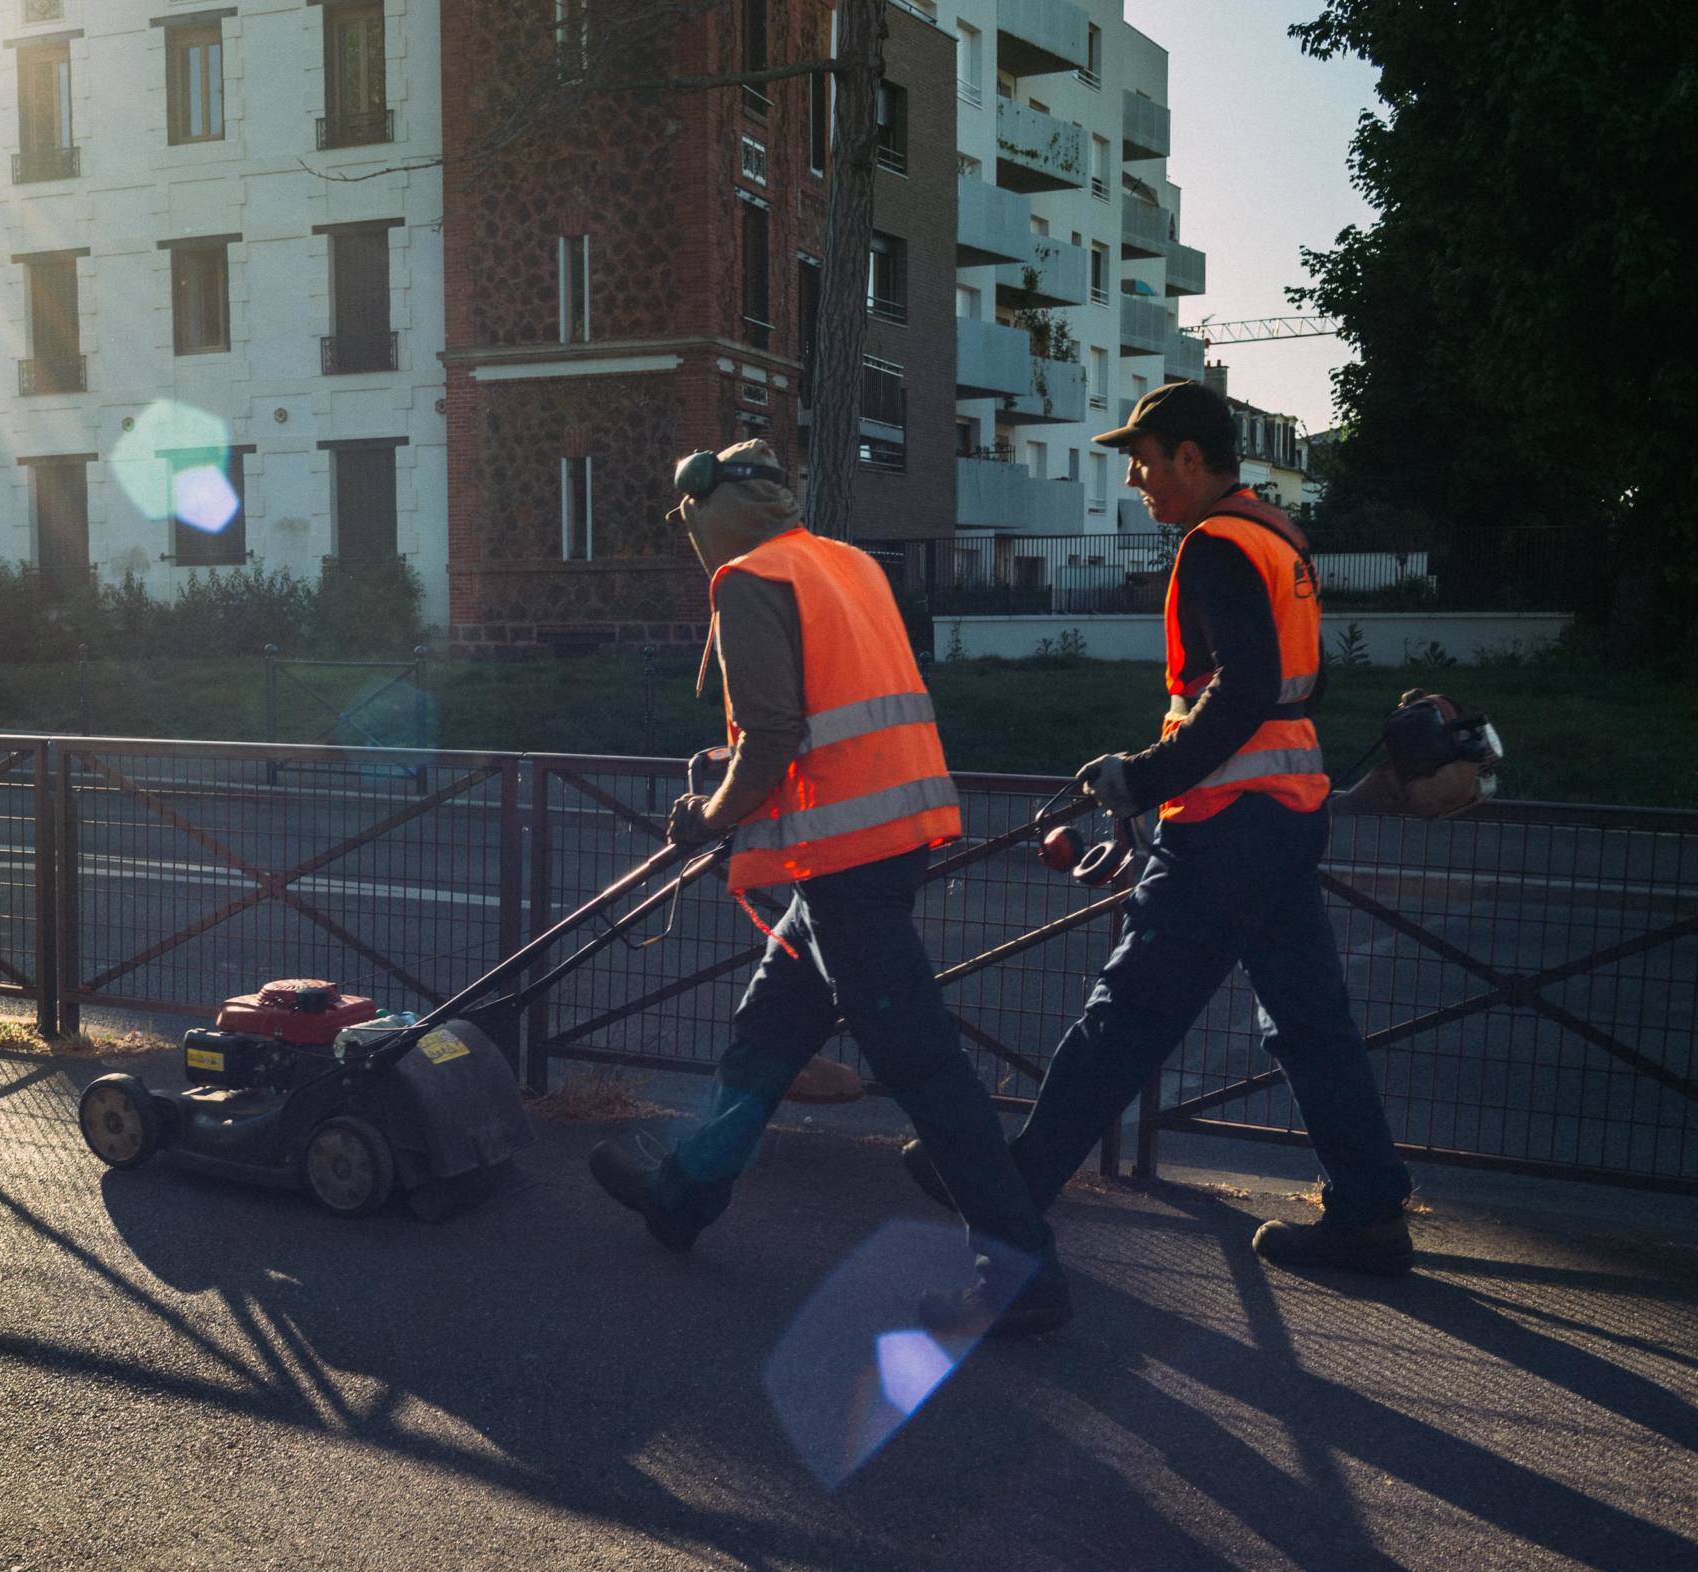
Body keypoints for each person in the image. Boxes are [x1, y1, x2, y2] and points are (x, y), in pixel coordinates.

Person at [906, 382, 1416, 1334]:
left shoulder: (1218, 545)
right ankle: (1370, 1209)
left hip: (1226, 822)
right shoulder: (1280, 540)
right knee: (1310, 1018)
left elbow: (1246, 688)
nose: (1134, 477)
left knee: (1124, 1018)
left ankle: (1009, 1219)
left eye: (1143, 458)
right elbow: (1287, 686)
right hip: (1284, 813)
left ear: (1191, 457)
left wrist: (1142, 777)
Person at [586, 440, 1071, 1340]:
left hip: (845, 860)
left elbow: (772, 738)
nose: (691, 540)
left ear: (714, 513)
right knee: (768, 1034)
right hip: (884, 841)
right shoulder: (845, 564)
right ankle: (682, 1196)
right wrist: (741, 781)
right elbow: (831, 715)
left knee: (925, 1067)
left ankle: (1021, 1270)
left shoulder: (747, 580)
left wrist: (710, 814)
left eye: (690, 522)